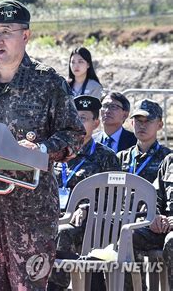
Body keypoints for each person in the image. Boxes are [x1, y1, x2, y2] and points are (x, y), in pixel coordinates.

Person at [0, 0, 85, 290]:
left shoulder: (48, 82)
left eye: (6, 31)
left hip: (30, 213)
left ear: (25, 36)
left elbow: (75, 135)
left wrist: (43, 149)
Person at [47, 95, 121, 290]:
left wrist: (87, 208)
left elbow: (114, 196)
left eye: (83, 118)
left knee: (64, 234)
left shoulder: (105, 156)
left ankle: (55, 288)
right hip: (53, 216)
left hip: (90, 222)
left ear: (96, 123)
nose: (77, 123)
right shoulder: (58, 153)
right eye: (74, 118)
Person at [130, 154, 172, 288]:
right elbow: (155, 197)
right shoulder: (169, 161)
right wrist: (154, 215)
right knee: (130, 237)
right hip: (164, 227)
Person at [117, 99, 171, 184]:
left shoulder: (168, 158)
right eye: (138, 121)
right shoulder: (121, 157)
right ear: (132, 123)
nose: (142, 125)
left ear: (160, 125)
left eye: (148, 121)